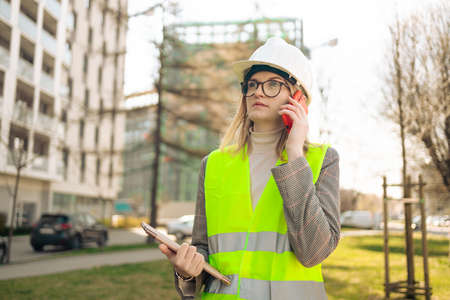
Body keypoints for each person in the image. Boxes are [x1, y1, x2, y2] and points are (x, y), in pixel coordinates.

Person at [159, 37, 340, 300]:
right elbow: (203, 250)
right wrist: (188, 271)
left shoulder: (322, 160)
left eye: (273, 85)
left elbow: (313, 251)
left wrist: (294, 155)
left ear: (298, 98)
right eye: (252, 84)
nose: (257, 92)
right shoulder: (213, 165)